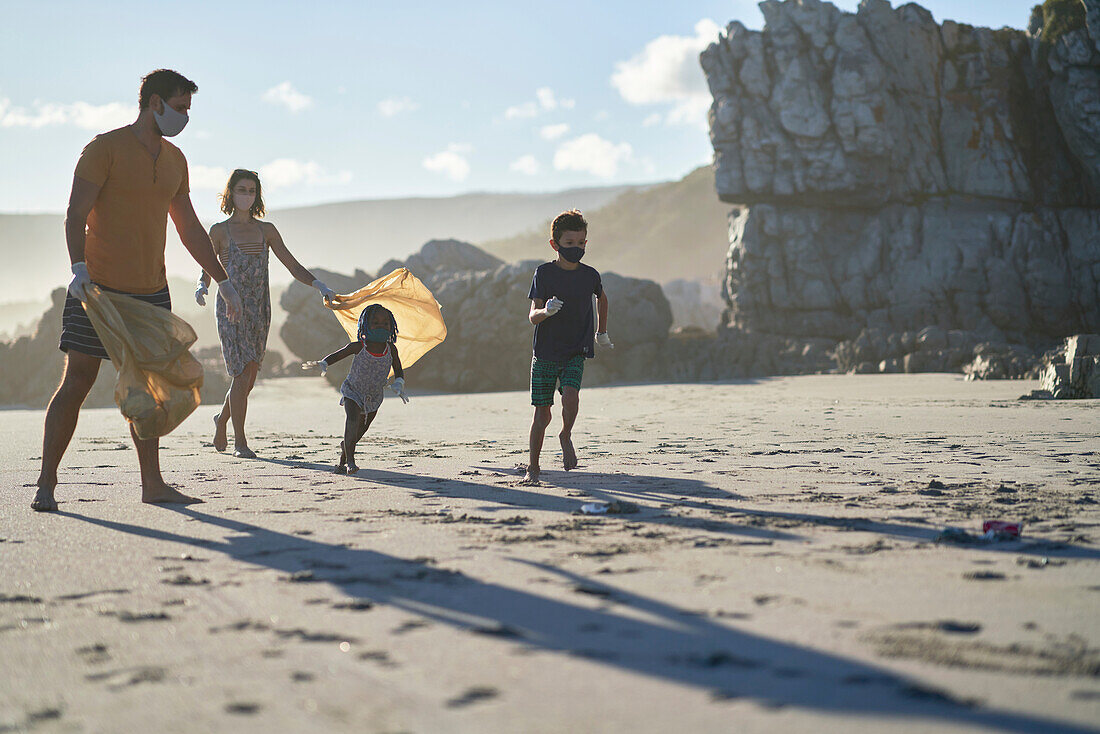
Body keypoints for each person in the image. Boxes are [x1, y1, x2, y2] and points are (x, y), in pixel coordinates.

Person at [32, 69, 243, 512]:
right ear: (154, 103)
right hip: (98, 291)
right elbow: (75, 214)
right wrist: (78, 267)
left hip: (151, 290)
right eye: (181, 108)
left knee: (148, 390)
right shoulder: (103, 149)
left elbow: (188, 227)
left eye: (188, 109)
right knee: (78, 381)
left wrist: (223, 281)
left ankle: (153, 485)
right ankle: (46, 484)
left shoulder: (175, 160)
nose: (185, 117)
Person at [196, 169, 336, 458]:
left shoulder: (266, 230)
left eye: (251, 191)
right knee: (240, 371)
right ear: (230, 193)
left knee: (249, 376)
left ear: (256, 195)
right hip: (230, 308)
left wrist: (318, 284)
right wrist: (202, 286)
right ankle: (240, 442)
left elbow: (292, 265)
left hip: (260, 308)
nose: (246, 196)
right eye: (241, 190)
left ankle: (221, 419)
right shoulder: (219, 231)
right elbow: (208, 265)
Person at [523, 209, 612, 484]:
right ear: (555, 244)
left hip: (576, 349)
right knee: (542, 414)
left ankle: (566, 435)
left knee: (571, 396)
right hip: (546, 353)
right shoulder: (544, 273)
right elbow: (532, 316)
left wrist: (602, 332)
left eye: (582, 243)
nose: (577, 248)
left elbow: (602, 299)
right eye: (570, 243)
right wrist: (546, 312)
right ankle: (533, 467)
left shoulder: (590, 275)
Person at [311, 304, 409, 474]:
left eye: (385, 323)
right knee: (352, 421)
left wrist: (399, 383)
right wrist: (324, 363)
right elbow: (338, 354)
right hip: (353, 391)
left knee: (359, 432)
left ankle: (342, 460)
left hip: (374, 396)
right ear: (365, 325)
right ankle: (351, 461)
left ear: (391, 326)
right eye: (375, 323)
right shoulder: (359, 346)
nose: (381, 326)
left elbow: (398, 369)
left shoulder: (391, 349)